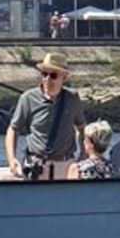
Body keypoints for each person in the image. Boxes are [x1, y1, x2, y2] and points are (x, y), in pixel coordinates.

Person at [5, 52, 86, 180]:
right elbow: (13, 129)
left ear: (64, 78)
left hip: (65, 165)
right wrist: (12, 159)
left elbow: (81, 128)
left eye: (53, 75)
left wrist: (83, 155)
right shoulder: (28, 99)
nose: (47, 79)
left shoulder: (72, 99)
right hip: (36, 166)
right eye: (44, 74)